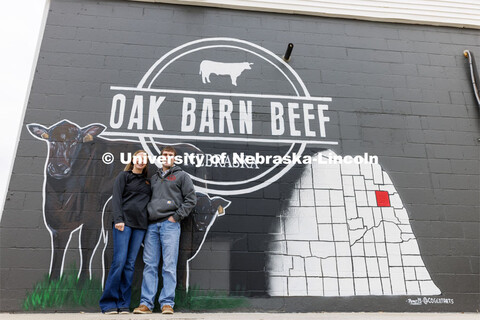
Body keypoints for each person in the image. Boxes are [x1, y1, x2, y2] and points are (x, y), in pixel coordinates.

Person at [133, 146, 196, 315]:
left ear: (174, 158)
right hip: (152, 226)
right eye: (164, 155)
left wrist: (175, 217)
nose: (167, 157)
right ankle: (146, 304)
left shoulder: (182, 176)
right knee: (150, 265)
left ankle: (167, 303)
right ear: (161, 158)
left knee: (169, 265)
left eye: (170, 155)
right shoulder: (153, 178)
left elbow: (191, 199)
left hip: (170, 225)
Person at [99, 150, 152, 314]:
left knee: (129, 265)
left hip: (140, 226)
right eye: (139, 157)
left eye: (144, 159)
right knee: (119, 262)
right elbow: (116, 199)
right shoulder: (124, 176)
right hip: (124, 224)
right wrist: (119, 219)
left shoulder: (148, 183)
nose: (141, 161)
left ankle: (123, 304)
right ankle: (108, 303)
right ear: (134, 159)